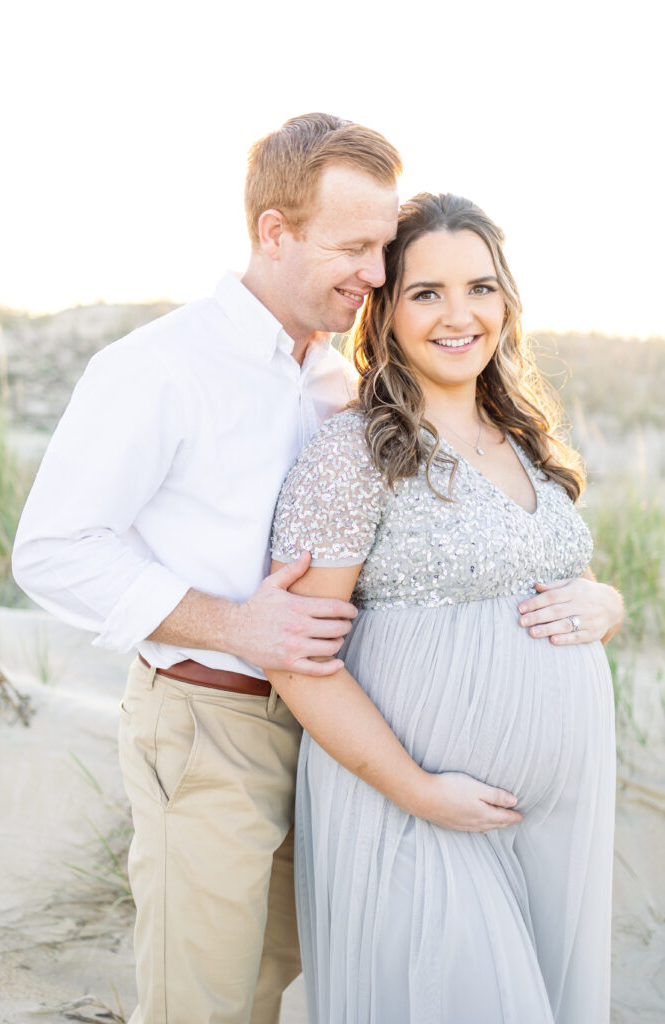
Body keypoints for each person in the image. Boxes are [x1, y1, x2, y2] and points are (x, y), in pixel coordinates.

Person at [11, 113, 402, 1024]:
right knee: (204, 1004)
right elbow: (52, 550)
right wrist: (236, 626)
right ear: (275, 231)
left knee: (276, 976)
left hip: (329, 730)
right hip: (205, 725)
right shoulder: (159, 367)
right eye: (353, 246)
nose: (376, 275)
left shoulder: (339, 382)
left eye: (383, 247)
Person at [267, 192, 622, 1022]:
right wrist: (419, 790)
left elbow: (545, 575)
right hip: (413, 812)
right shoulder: (352, 454)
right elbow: (297, 657)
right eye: (426, 293)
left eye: (480, 287)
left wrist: (603, 603)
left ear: (506, 300)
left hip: (550, 819)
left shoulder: (526, 440)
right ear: (385, 312)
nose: (459, 315)